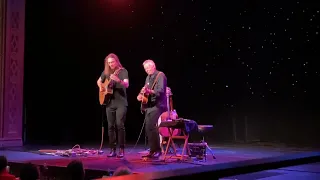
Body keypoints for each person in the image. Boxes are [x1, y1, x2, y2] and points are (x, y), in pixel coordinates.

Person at [97, 53, 129, 158]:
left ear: (116, 61)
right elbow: (98, 81)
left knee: (120, 124)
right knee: (110, 126)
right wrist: (101, 87)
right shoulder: (106, 72)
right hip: (109, 102)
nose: (111, 64)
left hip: (121, 102)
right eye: (109, 63)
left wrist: (118, 80)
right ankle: (112, 149)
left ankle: (122, 149)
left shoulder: (123, 71)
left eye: (112, 62)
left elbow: (126, 84)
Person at [137, 59, 167, 158]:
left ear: (153, 66)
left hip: (158, 105)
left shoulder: (160, 75)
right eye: (145, 69)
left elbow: (161, 91)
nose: (147, 70)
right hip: (149, 106)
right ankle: (152, 150)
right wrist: (141, 95)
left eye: (148, 68)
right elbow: (145, 89)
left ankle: (158, 150)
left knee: (152, 126)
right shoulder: (147, 78)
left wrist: (150, 92)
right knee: (148, 128)